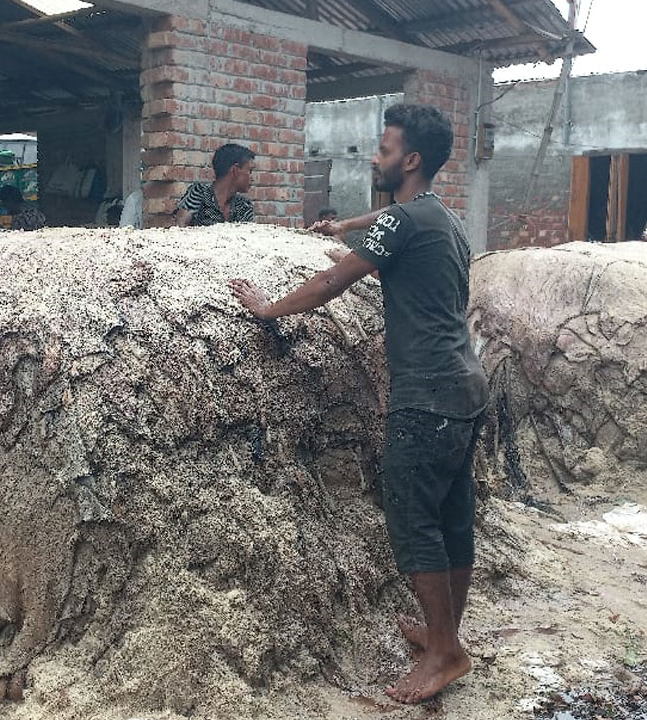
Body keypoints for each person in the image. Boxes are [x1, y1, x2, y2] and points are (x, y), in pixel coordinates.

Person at [228, 103, 487, 705]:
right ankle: (442, 634)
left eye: (385, 147)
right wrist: (346, 226)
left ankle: (445, 654)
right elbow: (392, 221)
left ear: (411, 160)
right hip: (467, 390)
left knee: (415, 520)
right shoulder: (443, 222)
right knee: (452, 517)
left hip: (426, 397)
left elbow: (328, 284)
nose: (376, 156)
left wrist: (267, 309)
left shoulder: (403, 225)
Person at [174, 143, 256, 227]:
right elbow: (180, 226)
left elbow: (247, 236)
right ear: (235, 170)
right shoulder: (200, 192)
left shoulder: (243, 206)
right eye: (250, 171)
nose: (252, 178)